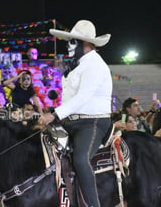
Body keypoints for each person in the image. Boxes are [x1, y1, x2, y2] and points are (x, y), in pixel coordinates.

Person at [39, 20, 112, 207]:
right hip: (72, 122)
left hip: (93, 123)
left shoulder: (95, 64)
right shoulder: (79, 64)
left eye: (72, 41)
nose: (68, 45)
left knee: (80, 159)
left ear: (85, 43)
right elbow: (71, 100)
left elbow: (83, 97)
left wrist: (54, 115)